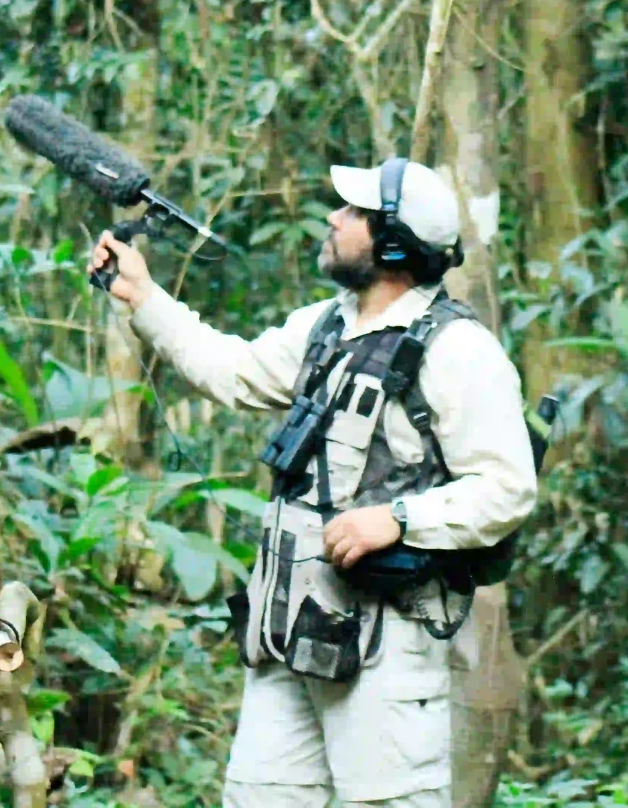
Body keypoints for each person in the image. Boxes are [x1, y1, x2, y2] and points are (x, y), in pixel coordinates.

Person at [90, 158, 537, 808]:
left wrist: (398, 519)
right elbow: (236, 372)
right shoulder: (325, 325)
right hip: (288, 628)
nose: (334, 217)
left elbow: (507, 488)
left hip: (386, 643)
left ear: (391, 242)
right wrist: (143, 297)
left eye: (353, 212)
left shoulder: (459, 351)